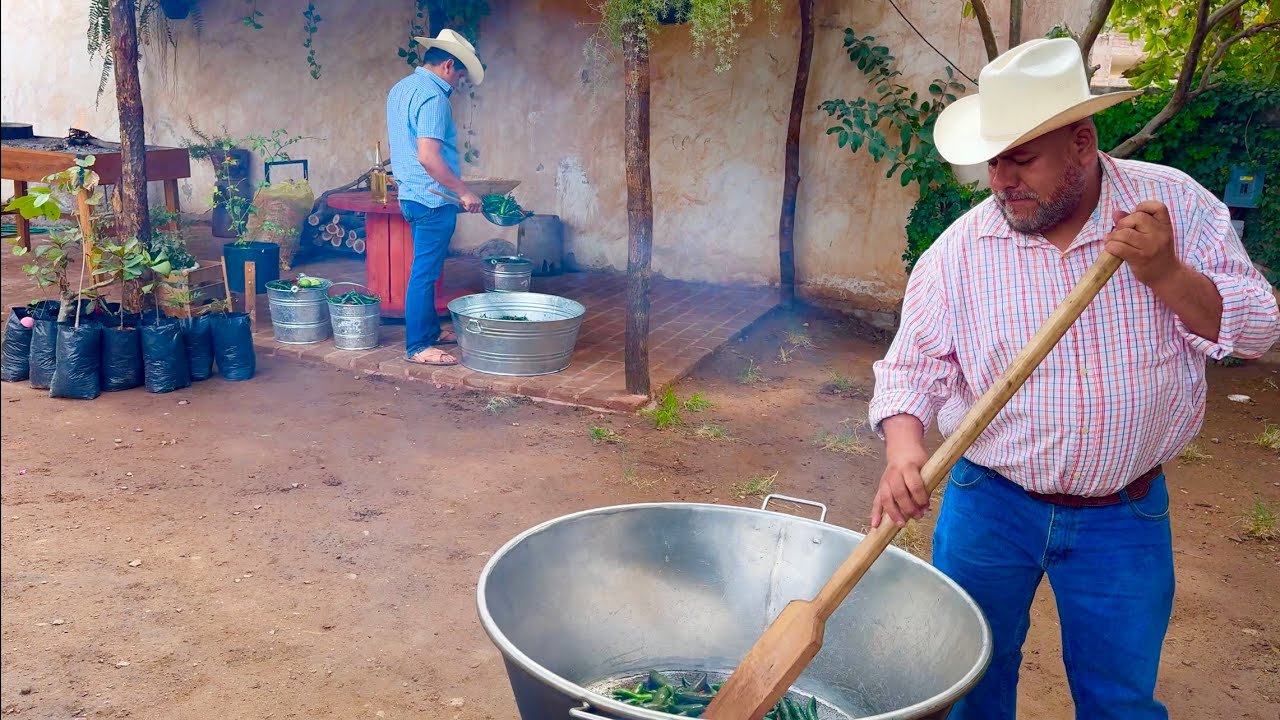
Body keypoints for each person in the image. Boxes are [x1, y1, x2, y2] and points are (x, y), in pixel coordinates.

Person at [867, 38, 1279, 720]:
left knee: (1119, 699)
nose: (1001, 179)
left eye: (1021, 159)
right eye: (993, 160)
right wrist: (904, 447)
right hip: (990, 504)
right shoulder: (960, 253)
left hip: (1125, 512)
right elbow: (913, 368)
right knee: (970, 687)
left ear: (1082, 145)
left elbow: (1261, 329)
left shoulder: (1173, 207)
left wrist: (1166, 275)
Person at [386, 28, 486, 366]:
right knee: (425, 272)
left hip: (411, 195)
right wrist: (464, 191)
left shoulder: (401, 89)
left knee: (425, 268)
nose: (459, 81)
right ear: (446, 65)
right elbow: (428, 156)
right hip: (433, 198)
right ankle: (418, 346)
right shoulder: (433, 98)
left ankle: (428, 331)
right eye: (460, 73)